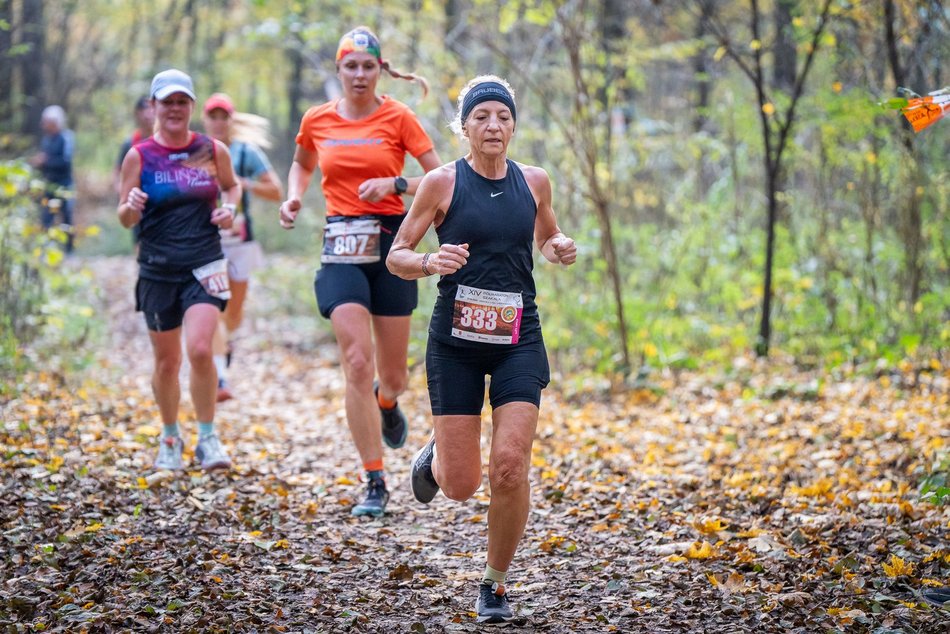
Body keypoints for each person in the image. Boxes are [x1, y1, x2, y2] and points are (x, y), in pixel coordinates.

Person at [386, 75, 577, 624]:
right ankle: (438, 456)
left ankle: (493, 585)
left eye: (503, 117)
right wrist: (428, 263)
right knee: (462, 485)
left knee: (511, 467)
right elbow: (397, 254)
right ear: (465, 126)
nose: (493, 126)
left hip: (519, 339)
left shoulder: (535, 181)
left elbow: (546, 235)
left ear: (514, 124)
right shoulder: (441, 185)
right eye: (481, 117)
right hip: (456, 345)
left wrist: (558, 246)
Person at [279, 26, 442, 517]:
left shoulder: (398, 116)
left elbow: (441, 178)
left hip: (393, 245)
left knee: (392, 376)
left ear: (379, 70)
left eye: (367, 65)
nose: (358, 74)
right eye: (350, 65)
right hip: (341, 247)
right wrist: (292, 196)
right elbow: (301, 164)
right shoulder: (317, 119)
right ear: (339, 69)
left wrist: (393, 181)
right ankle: (374, 480)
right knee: (355, 361)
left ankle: (387, 403)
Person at [117, 69, 241, 472]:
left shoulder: (211, 148)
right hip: (157, 269)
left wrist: (230, 209)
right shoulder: (140, 156)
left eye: (181, 102)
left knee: (201, 349)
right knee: (167, 363)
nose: (174, 109)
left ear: (190, 106)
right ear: (153, 106)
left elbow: (232, 186)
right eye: (166, 101)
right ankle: (170, 435)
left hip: (204, 264)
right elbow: (123, 217)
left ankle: (207, 437)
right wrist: (131, 206)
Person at [201, 92, 283, 402]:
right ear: (205, 119)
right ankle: (220, 376)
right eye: (214, 116)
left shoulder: (245, 152)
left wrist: (241, 183)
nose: (219, 122)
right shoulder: (196, 150)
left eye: (225, 116)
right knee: (213, 307)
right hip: (206, 241)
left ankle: (227, 342)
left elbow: (276, 191)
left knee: (233, 311)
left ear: (232, 120)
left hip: (240, 240)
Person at [30, 105, 76, 252]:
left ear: (55, 122)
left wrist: (46, 161)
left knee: (67, 218)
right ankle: (46, 251)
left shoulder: (66, 138)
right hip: (49, 185)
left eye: (46, 122)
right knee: (46, 219)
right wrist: (38, 163)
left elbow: (65, 162)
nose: (43, 125)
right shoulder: (47, 140)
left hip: (64, 185)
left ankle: (69, 251)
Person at [114, 96, 155, 246]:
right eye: (144, 109)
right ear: (137, 113)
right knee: (139, 237)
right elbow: (118, 170)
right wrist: (120, 189)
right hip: (136, 198)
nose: (148, 115)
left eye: (151, 109)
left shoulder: (164, 140)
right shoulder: (130, 143)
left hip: (158, 197)